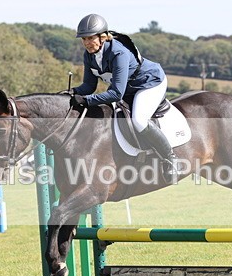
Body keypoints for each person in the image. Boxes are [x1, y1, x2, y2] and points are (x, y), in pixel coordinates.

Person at [67, 13, 177, 181]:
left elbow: (116, 94)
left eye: (91, 38)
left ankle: (171, 159)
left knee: (139, 120)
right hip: (128, 88)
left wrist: (87, 100)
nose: (87, 43)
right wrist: (71, 93)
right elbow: (89, 86)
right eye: (84, 39)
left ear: (102, 37)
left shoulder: (119, 53)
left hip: (149, 83)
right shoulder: (88, 55)